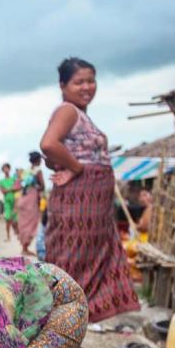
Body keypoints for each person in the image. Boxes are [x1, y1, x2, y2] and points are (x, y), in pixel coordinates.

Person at [40, 57, 139, 323]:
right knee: (73, 262)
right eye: (79, 82)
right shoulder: (68, 110)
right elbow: (49, 144)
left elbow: (52, 155)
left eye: (91, 80)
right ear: (63, 85)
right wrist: (78, 168)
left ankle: (70, 330)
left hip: (91, 199)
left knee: (85, 261)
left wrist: (68, 164)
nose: (87, 87)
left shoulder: (79, 114)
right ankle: (60, 331)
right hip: (81, 197)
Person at [17, 152, 46, 256]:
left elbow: (20, 184)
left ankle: (24, 247)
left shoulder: (26, 171)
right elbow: (42, 186)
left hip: (23, 198)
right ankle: (25, 248)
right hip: (31, 199)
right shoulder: (38, 171)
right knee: (31, 222)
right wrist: (37, 188)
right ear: (38, 160)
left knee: (24, 222)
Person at [0, 163, 19, 242]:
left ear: (9, 169)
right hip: (7, 202)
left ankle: (17, 233)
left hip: (15, 201)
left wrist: (8, 189)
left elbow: (17, 188)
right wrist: (11, 189)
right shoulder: (1, 181)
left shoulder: (14, 179)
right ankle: (8, 236)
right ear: (3, 170)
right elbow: (3, 191)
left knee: (15, 219)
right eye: (4, 168)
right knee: (8, 219)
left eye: (7, 168)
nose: (6, 170)